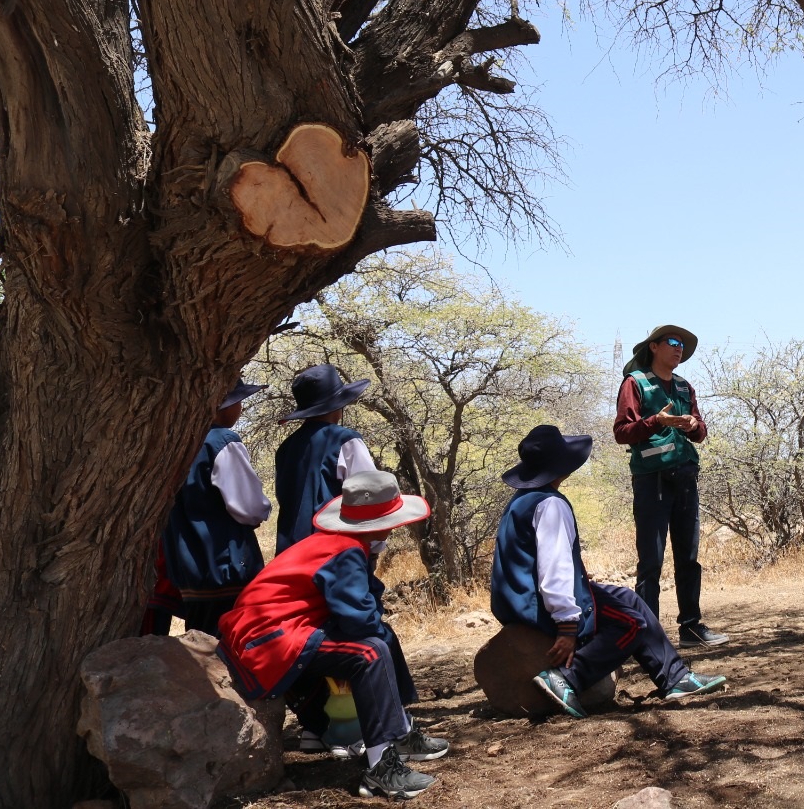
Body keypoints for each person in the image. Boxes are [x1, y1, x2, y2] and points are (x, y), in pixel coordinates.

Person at [218, 471, 448, 800]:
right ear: (382, 522)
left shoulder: (340, 544)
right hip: (268, 639)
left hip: (277, 630)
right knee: (370, 652)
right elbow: (359, 619)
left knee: (384, 638)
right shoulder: (347, 551)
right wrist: (375, 626)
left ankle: (400, 731)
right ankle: (382, 767)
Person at [490, 424, 727, 718]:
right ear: (560, 466)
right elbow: (555, 569)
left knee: (629, 599)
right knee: (631, 623)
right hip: (537, 607)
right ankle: (568, 677)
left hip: (519, 599)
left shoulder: (523, 500)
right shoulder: (550, 504)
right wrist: (567, 625)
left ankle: (674, 677)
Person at [613, 324, 727, 646]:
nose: (679, 349)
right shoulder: (635, 384)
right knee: (651, 562)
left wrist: (693, 425)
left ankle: (691, 627)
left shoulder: (683, 386)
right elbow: (622, 432)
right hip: (652, 481)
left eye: (682, 345)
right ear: (654, 347)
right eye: (673, 342)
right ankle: (649, 638)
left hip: (686, 479)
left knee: (688, 559)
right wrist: (656, 422)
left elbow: (701, 431)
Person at [149, 379, 273, 635]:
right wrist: (263, 510)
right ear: (221, 406)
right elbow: (250, 508)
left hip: (188, 572)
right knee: (228, 646)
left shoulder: (175, 444)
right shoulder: (222, 441)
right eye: (237, 401)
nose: (240, 408)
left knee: (201, 638)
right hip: (226, 568)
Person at [274, 363, 379, 553]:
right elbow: (369, 496)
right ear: (338, 405)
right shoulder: (345, 440)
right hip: (333, 556)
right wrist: (374, 546)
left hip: (289, 555)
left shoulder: (285, 448)